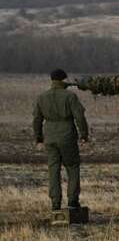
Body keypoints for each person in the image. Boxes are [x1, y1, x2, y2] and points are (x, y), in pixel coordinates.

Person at [33, 69, 89, 211]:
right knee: (72, 166)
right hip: (67, 136)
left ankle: (55, 203)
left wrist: (39, 138)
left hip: (49, 137)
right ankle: (73, 201)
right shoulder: (70, 96)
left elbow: (37, 119)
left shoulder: (41, 97)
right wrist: (84, 135)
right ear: (63, 80)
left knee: (53, 169)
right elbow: (79, 117)